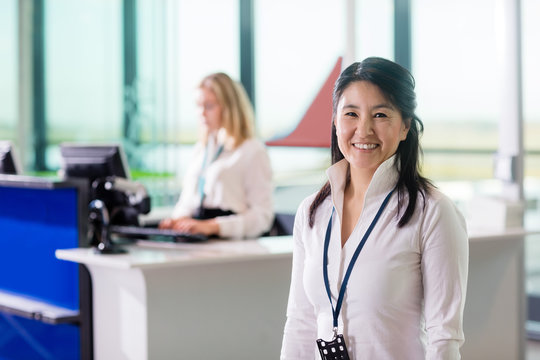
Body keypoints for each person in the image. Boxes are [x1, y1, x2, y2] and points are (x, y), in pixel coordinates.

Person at [280, 57, 468, 359]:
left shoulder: (432, 211)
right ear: (335, 121)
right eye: (351, 114)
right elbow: (301, 323)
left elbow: (443, 337)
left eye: (380, 114)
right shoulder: (312, 212)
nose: (363, 129)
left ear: (405, 126)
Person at [159, 72, 274, 238]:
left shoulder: (252, 151)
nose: (201, 113)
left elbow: (262, 218)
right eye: (198, 106)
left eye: (209, 106)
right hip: (198, 241)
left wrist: (214, 226)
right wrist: (177, 220)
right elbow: (187, 202)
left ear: (229, 108)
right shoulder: (202, 149)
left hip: (231, 246)